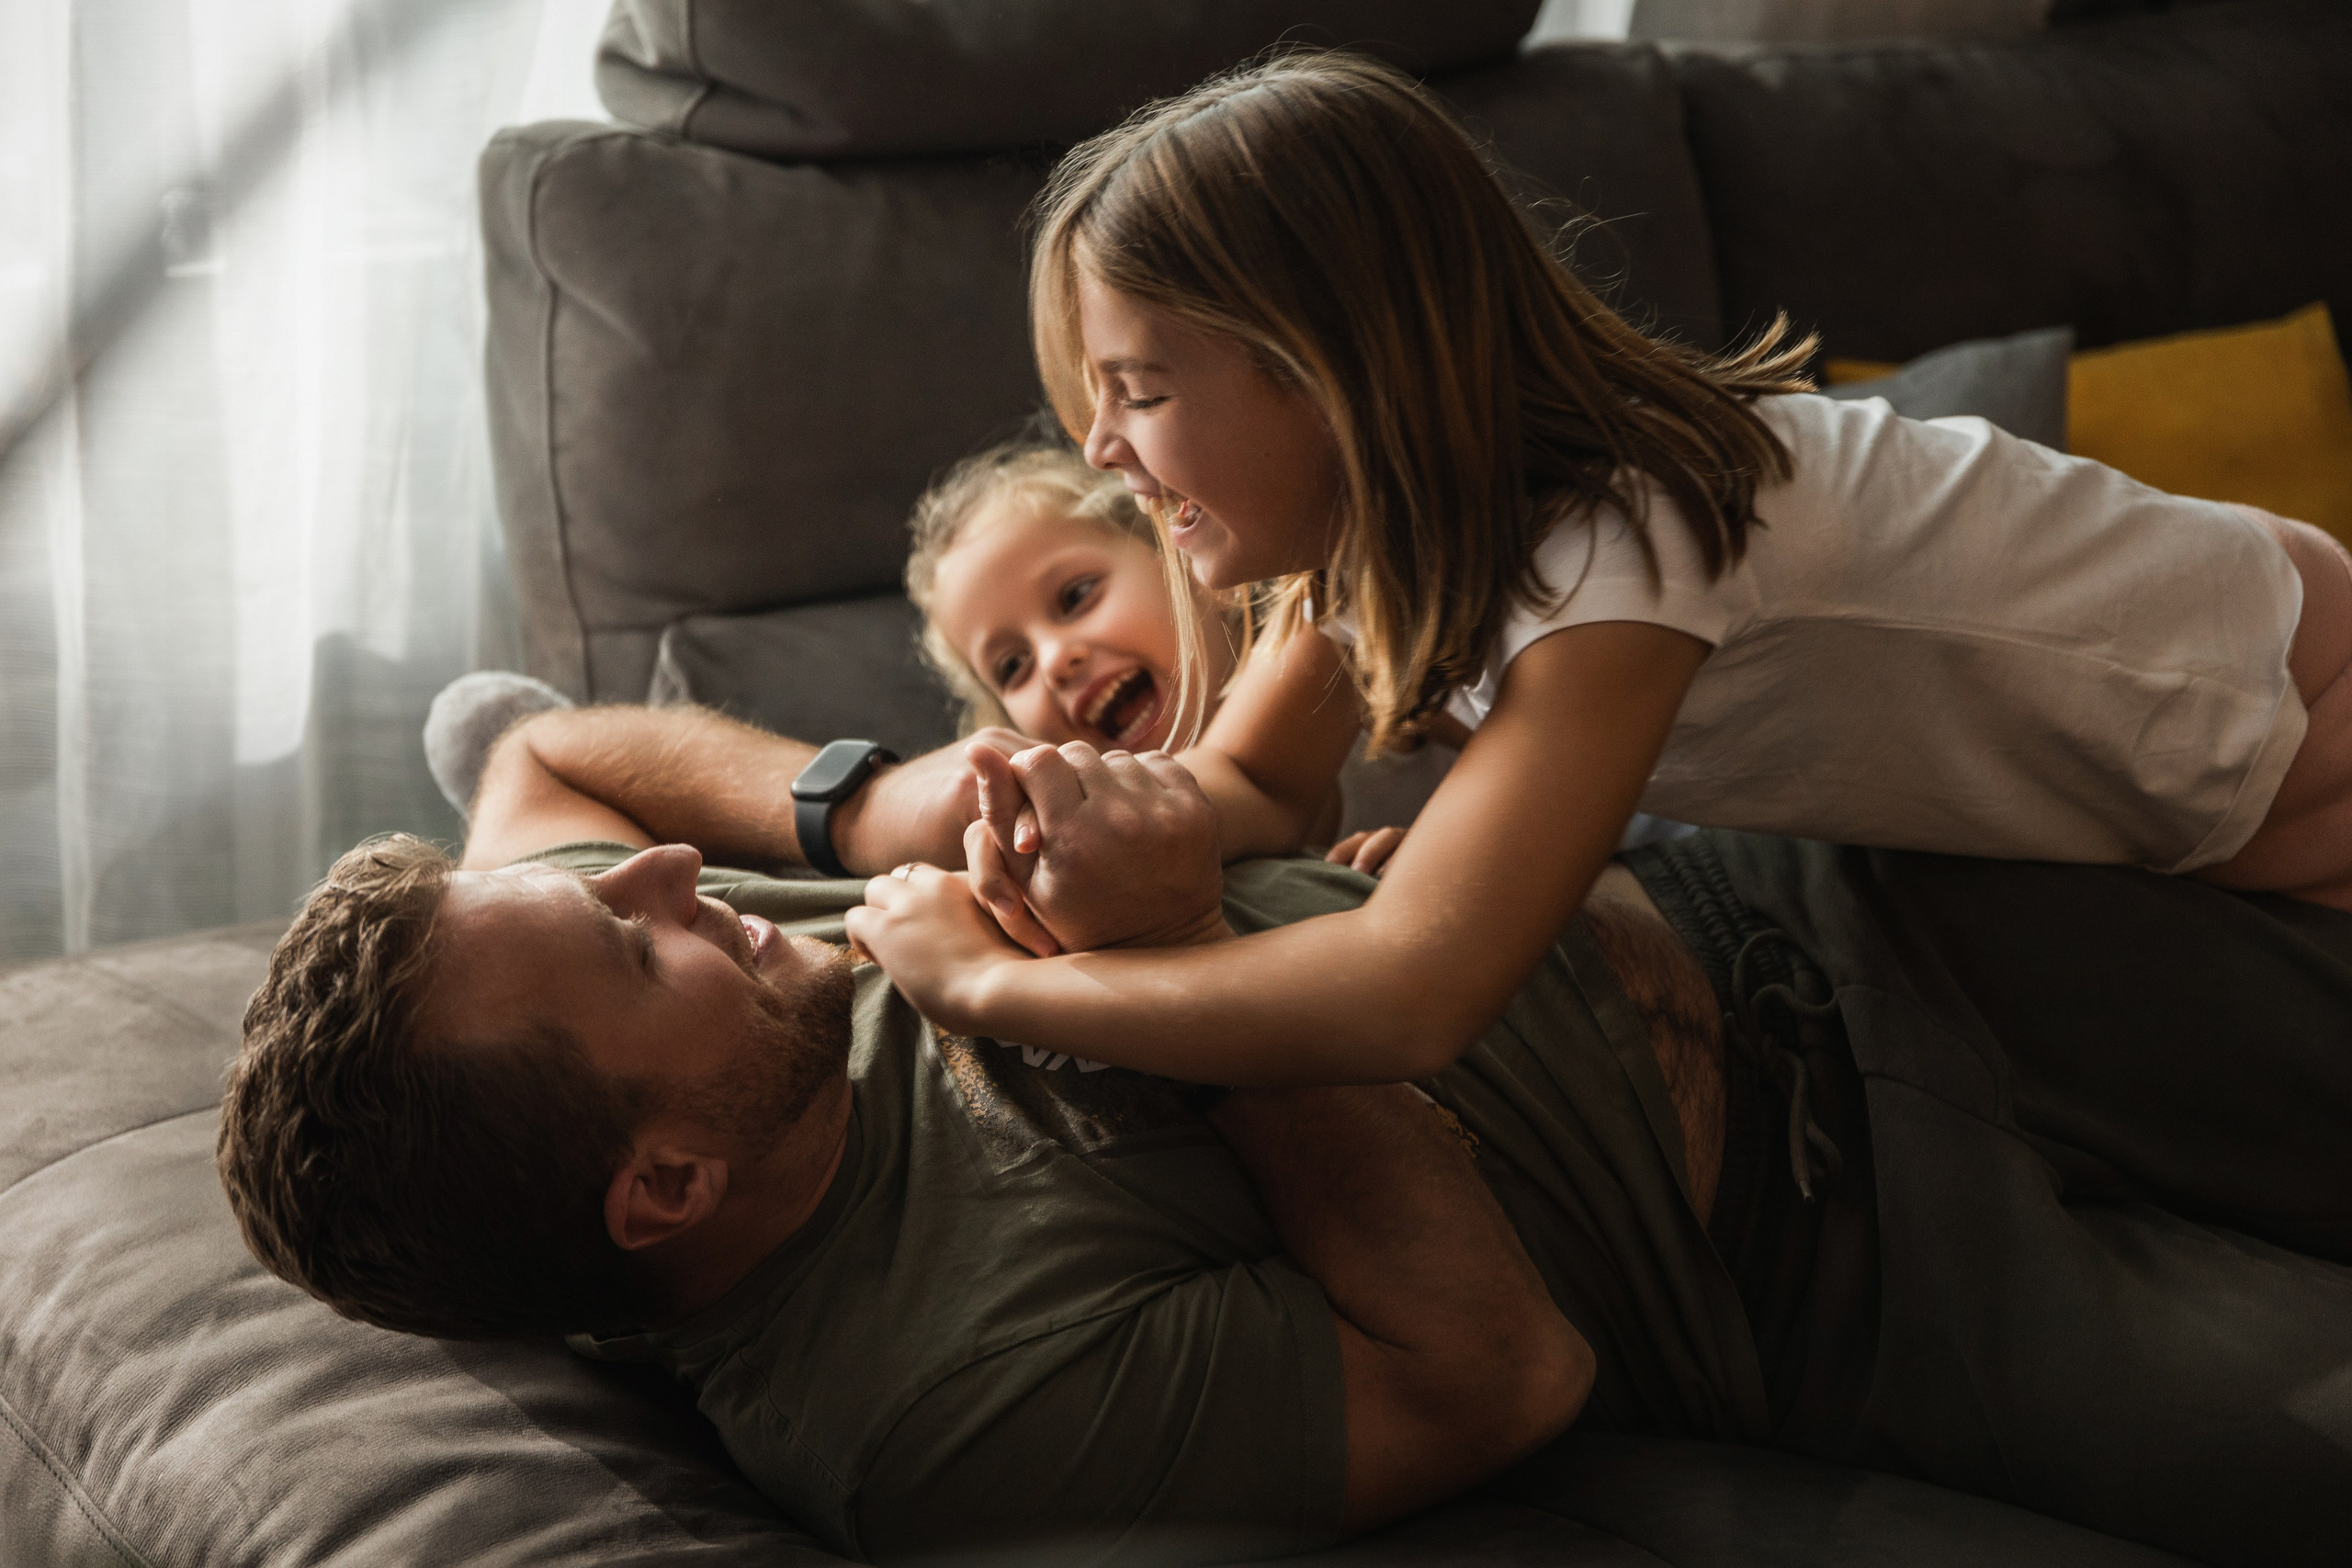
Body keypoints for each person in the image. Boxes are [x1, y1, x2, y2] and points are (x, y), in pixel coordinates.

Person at [218, 703, 2352, 1568]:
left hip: (1783, 894)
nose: (666, 888)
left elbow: (533, 751)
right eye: (632, 936)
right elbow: (1484, 1367)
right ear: (658, 1187)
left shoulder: (707, 993)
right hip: (1848, 1253)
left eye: (637, 880)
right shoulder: (923, 1399)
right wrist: (1186, 986)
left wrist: (858, 804)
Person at [851, 49, 2352, 1087]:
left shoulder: (1621, 544)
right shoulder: (1372, 549)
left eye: (1140, 392)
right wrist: (1033, 811)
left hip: (2306, 725)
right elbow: (1248, 791)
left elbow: (1414, 991)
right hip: (2174, 812)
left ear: (1326, 371)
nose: (1104, 451)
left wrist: (998, 988)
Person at [904, 436, 1464, 871]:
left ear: (1184, 564)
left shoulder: (1357, 663)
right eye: (1012, 666)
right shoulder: (1103, 850)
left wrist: (1447, 843)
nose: (1054, 660)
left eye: (1076, 596)